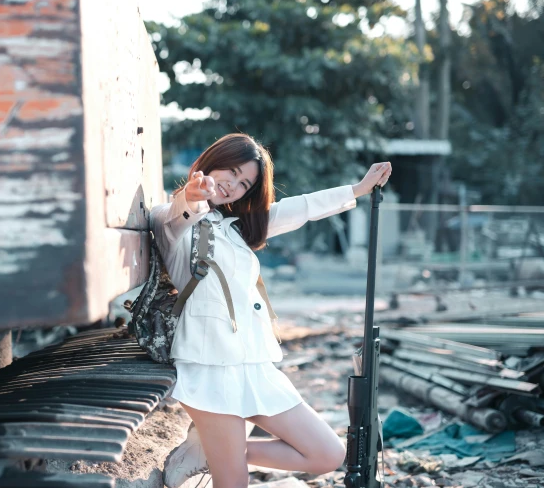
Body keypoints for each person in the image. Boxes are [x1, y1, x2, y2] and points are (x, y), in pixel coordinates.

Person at [152, 133, 392, 488]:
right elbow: (176, 214)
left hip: (253, 366)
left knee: (326, 454)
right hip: (209, 369)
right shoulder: (176, 221)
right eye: (230, 172)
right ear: (210, 163)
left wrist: (357, 189)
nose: (233, 185)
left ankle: (209, 452)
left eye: (244, 183)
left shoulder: (234, 230)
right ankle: (221, 454)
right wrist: (192, 195)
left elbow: (299, 208)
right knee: (234, 483)